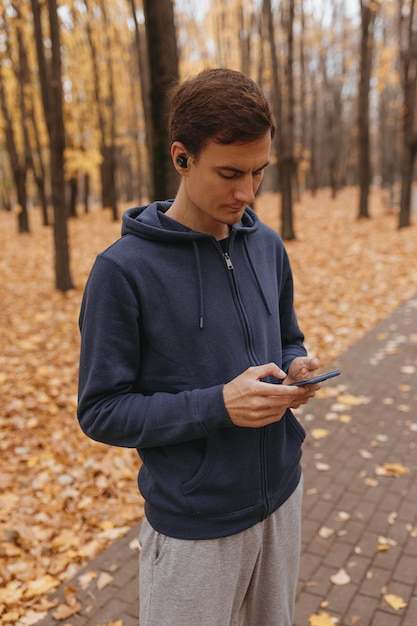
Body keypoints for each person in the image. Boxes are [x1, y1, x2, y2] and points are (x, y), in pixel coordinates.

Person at [77, 67, 321, 626]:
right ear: (181, 157)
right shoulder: (122, 272)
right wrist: (219, 406)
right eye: (230, 173)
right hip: (194, 530)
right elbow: (101, 411)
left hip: (282, 497)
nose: (247, 192)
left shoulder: (266, 245)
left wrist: (294, 366)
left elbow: (286, 335)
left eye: (259, 172)